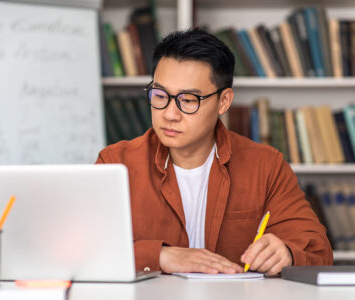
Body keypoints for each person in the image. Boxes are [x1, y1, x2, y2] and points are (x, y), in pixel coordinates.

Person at [96, 28, 333, 275]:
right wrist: (161, 256)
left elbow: (319, 251)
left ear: (224, 101)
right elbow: (79, 251)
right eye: (160, 95)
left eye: (188, 100)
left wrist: (287, 252)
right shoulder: (115, 164)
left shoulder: (265, 166)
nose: (169, 114)